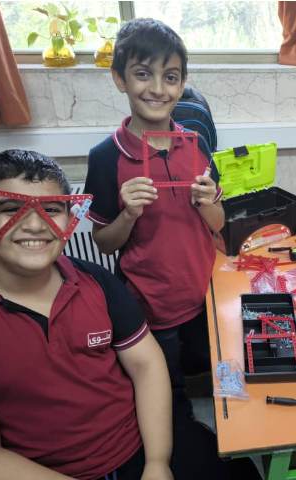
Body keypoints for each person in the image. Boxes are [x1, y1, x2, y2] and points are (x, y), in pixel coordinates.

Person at [0, 149, 173, 480]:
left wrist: (157, 462)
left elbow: (146, 364)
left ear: (69, 219)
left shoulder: (98, 282)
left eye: (51, 210)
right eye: (11, 209)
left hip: (133, 449)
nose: (35, 225)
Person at [83, 18, 224, 420]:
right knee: (166, 388)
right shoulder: (105, 157)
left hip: (206, 293)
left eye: (171, 77)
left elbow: (218, 222)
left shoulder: (196, 143)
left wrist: (207, 203)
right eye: (143, 74)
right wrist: (128, 214)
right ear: (120, 79)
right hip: (152, 304)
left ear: (182, 84)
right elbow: (103, 243)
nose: (158, 89)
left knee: (216, 370)